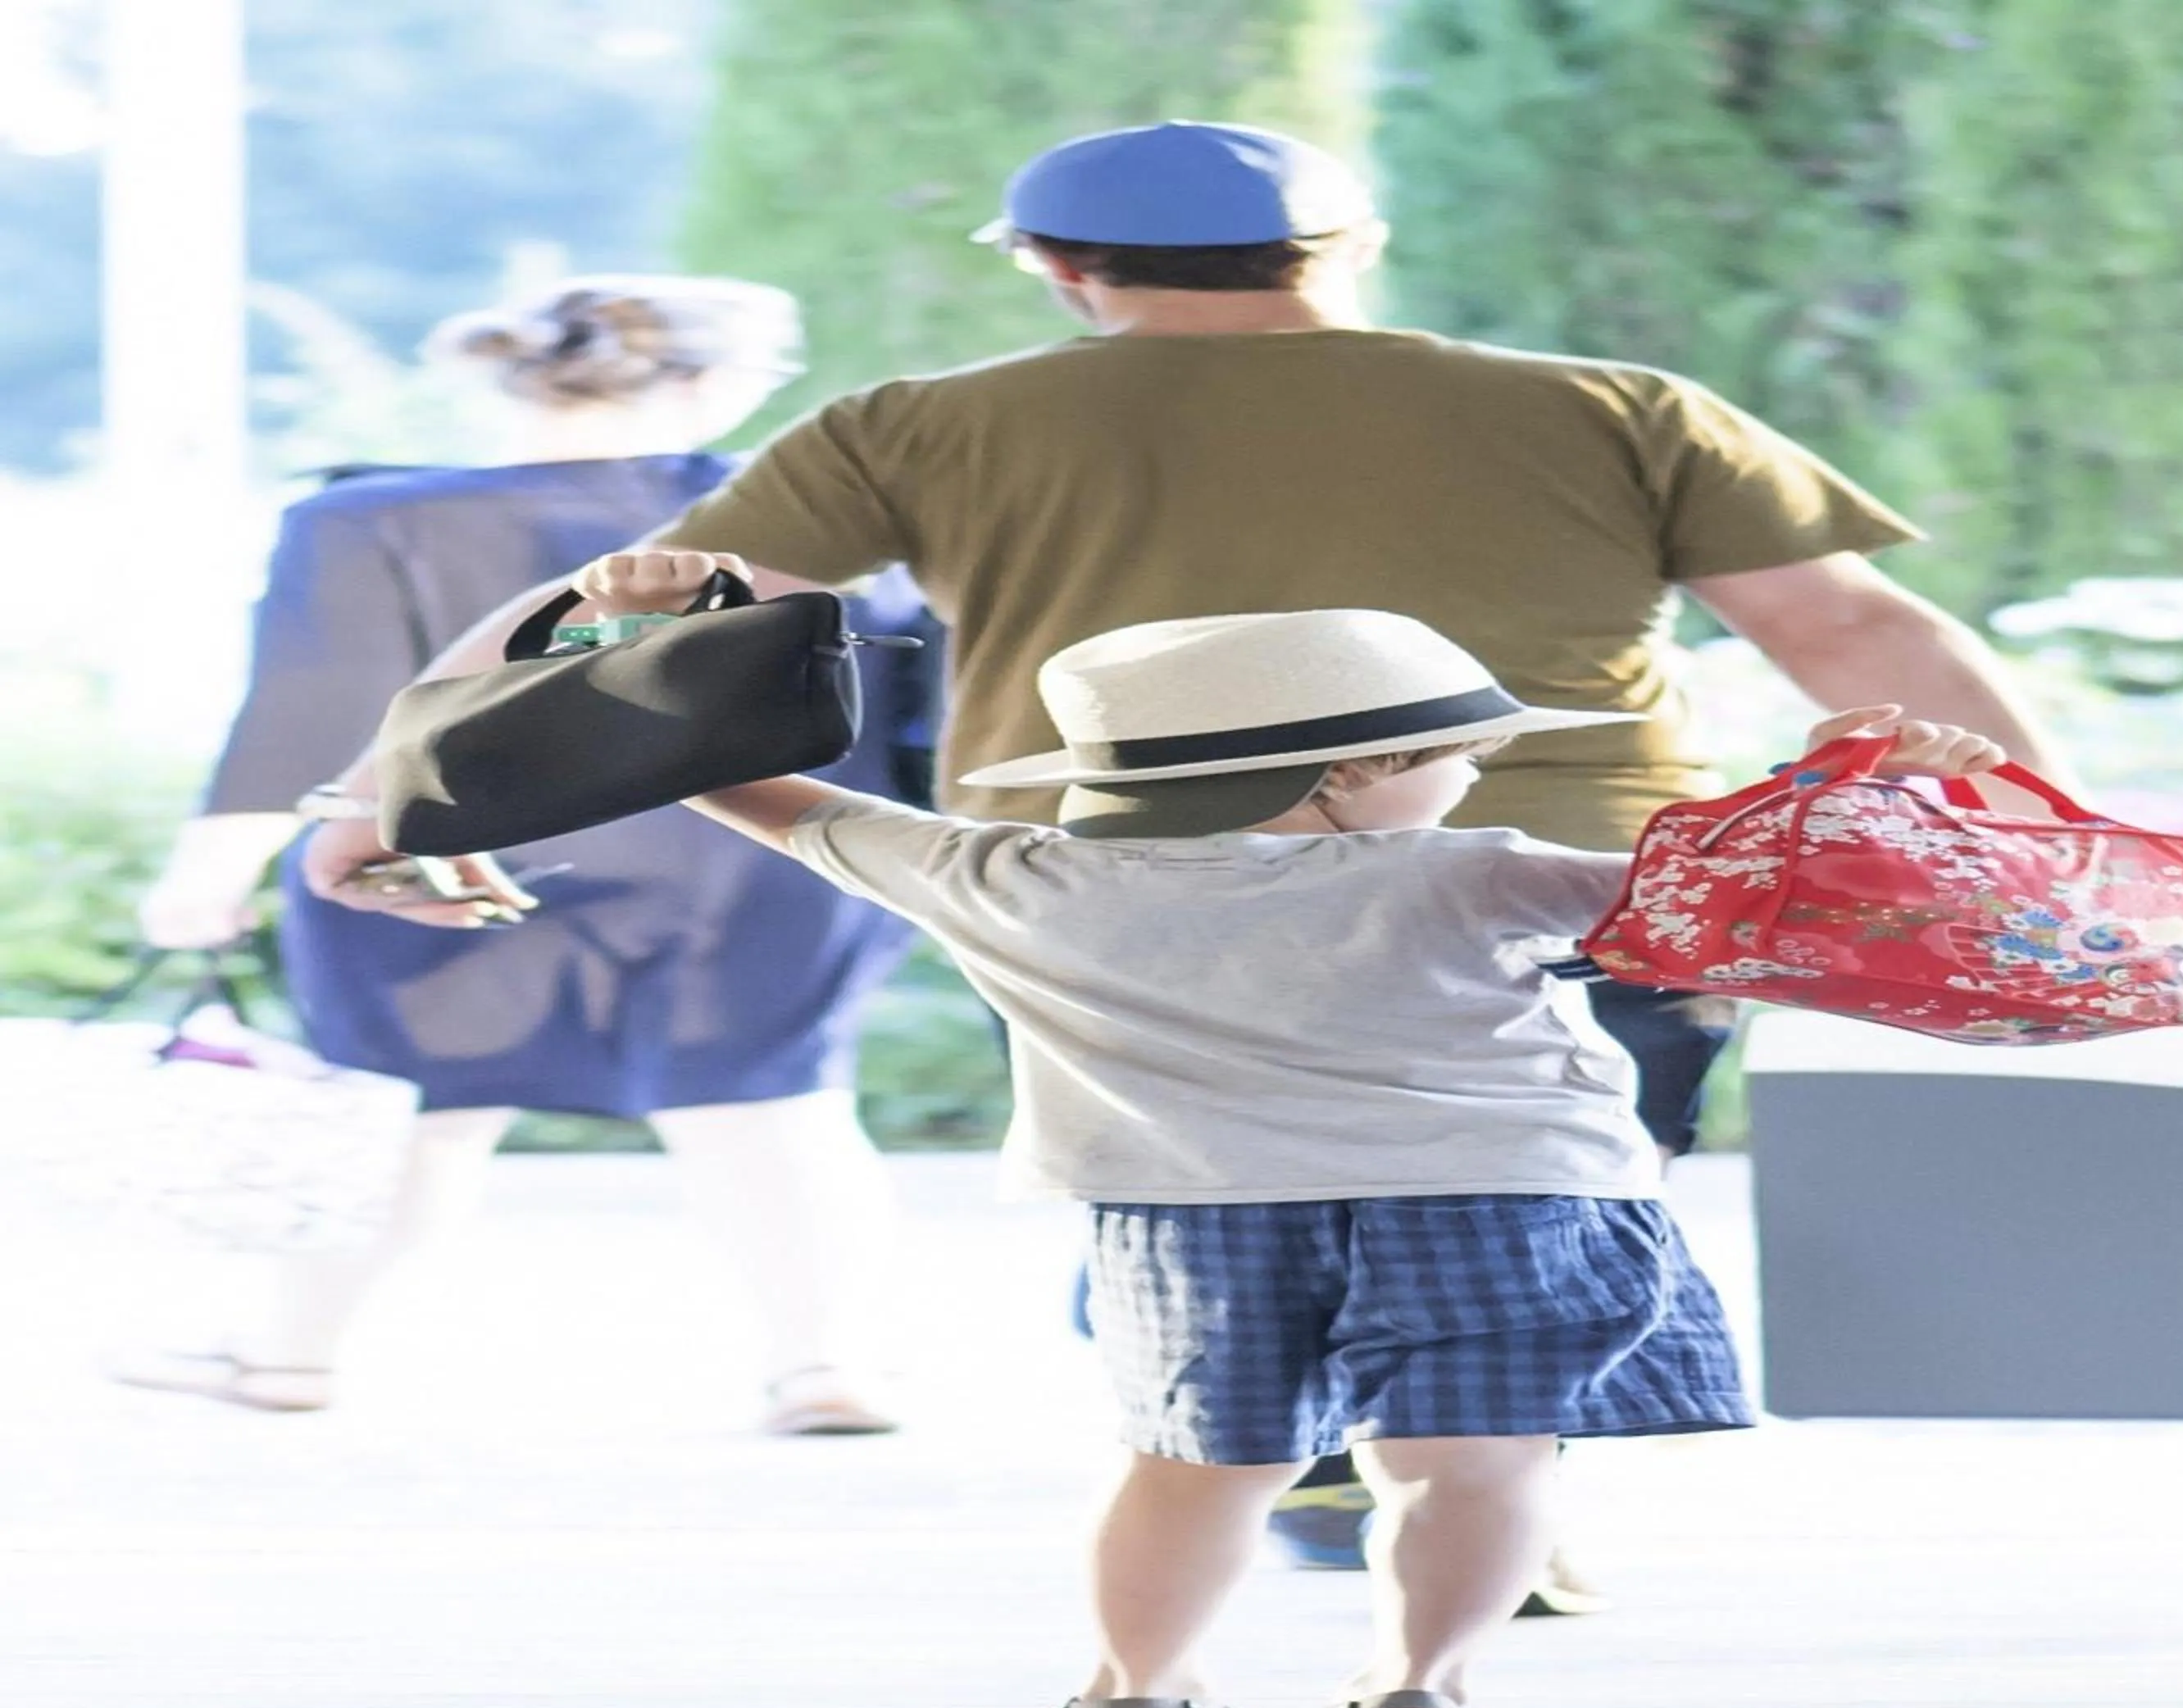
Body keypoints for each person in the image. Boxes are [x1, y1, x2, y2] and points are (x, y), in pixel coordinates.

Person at [292, 123, 2067, 1562]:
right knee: (1547, 1176)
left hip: (1124, 891)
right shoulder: (1612, 404)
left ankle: (1268, 1433)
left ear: (1069, 274)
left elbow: (634, 620)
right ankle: (1479, 1472)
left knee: (1186, 1170)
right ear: (1344, 255)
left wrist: (395, 786)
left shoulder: (923, 424)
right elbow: (1858, 639)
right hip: (1563, 877)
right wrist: (2045, 845)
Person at [590, 576, 2008, 1708]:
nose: (1473, 772)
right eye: (1458, 748)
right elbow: (1748, 896)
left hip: (1195, 1213)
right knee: (1475, 1457)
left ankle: (1134, 1695)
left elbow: (749, 791)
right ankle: (1414, 1692)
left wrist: (640, 642)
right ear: (1347, 775)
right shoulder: (1475, 873)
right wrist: (1859, 782)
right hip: (1504, 1194)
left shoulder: (1006, 874)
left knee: (1199, 1466)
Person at [120, 277, 938, 1435]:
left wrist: (208, 873)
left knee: (408, 1109)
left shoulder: (361, 519)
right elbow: (912, 692)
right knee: (772, 1105)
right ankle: (824, 1365)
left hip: (446, 858)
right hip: (756, 858)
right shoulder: (830, 515)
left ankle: (288, 1353)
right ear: (707, 382)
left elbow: (310, 713)